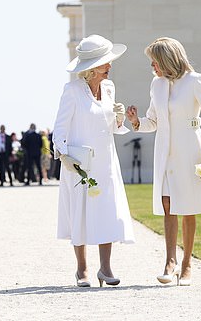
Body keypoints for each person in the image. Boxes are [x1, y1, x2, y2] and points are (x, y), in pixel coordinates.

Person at [126, 37, 201, 286]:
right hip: (165, 151)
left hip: (190, 150)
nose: (152, 67)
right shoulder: (157, 85)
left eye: (155, 62)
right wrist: (136, 121)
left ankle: (187, 264)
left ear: (167, 60)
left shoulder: (195, 81)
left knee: (187, 207)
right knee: (167, 204)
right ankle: (169, 262)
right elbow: (154, 121)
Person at [52, 34, 135, 288]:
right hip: (80, 164)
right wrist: (66, 156)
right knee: (80, 213)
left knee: (106, 211)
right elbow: (59, 131)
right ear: (91, 67)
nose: (110, 65)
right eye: (105, 62)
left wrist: (120, 119)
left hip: (106, 162)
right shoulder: (72, 91)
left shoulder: (109, 88)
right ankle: (82, 269)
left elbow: (112, 127)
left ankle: (106, 268)